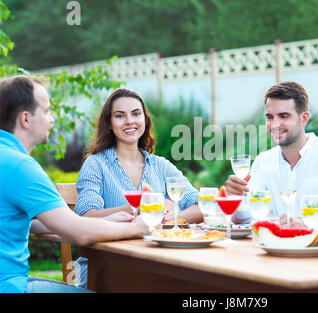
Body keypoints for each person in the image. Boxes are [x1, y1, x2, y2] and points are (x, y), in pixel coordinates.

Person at [0, 76, 149, 293]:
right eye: (47, 111)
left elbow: (24, 222)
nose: (51, 119)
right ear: (26, 119)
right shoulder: (20, 166)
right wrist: (137, 227)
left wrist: (106, 221)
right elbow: (79, 234)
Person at [74, 88, 203, 288]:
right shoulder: (95, 164)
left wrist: (163, 219)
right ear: (109, 123)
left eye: (136, 113)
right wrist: (135, 210)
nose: (130, 121)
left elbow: (199, 205)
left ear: (145, 120)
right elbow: (86, 217)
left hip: (156, 262)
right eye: (120, 116)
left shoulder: (161, 165)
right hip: (105, 265)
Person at [226, 81, 318, 226]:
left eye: (284, 116)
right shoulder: (263, 160)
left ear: (304, 119)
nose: (275, 124)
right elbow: (246, 218)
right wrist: (236, 199)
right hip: (277, 246)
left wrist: (304, 222)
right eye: (270, 117)